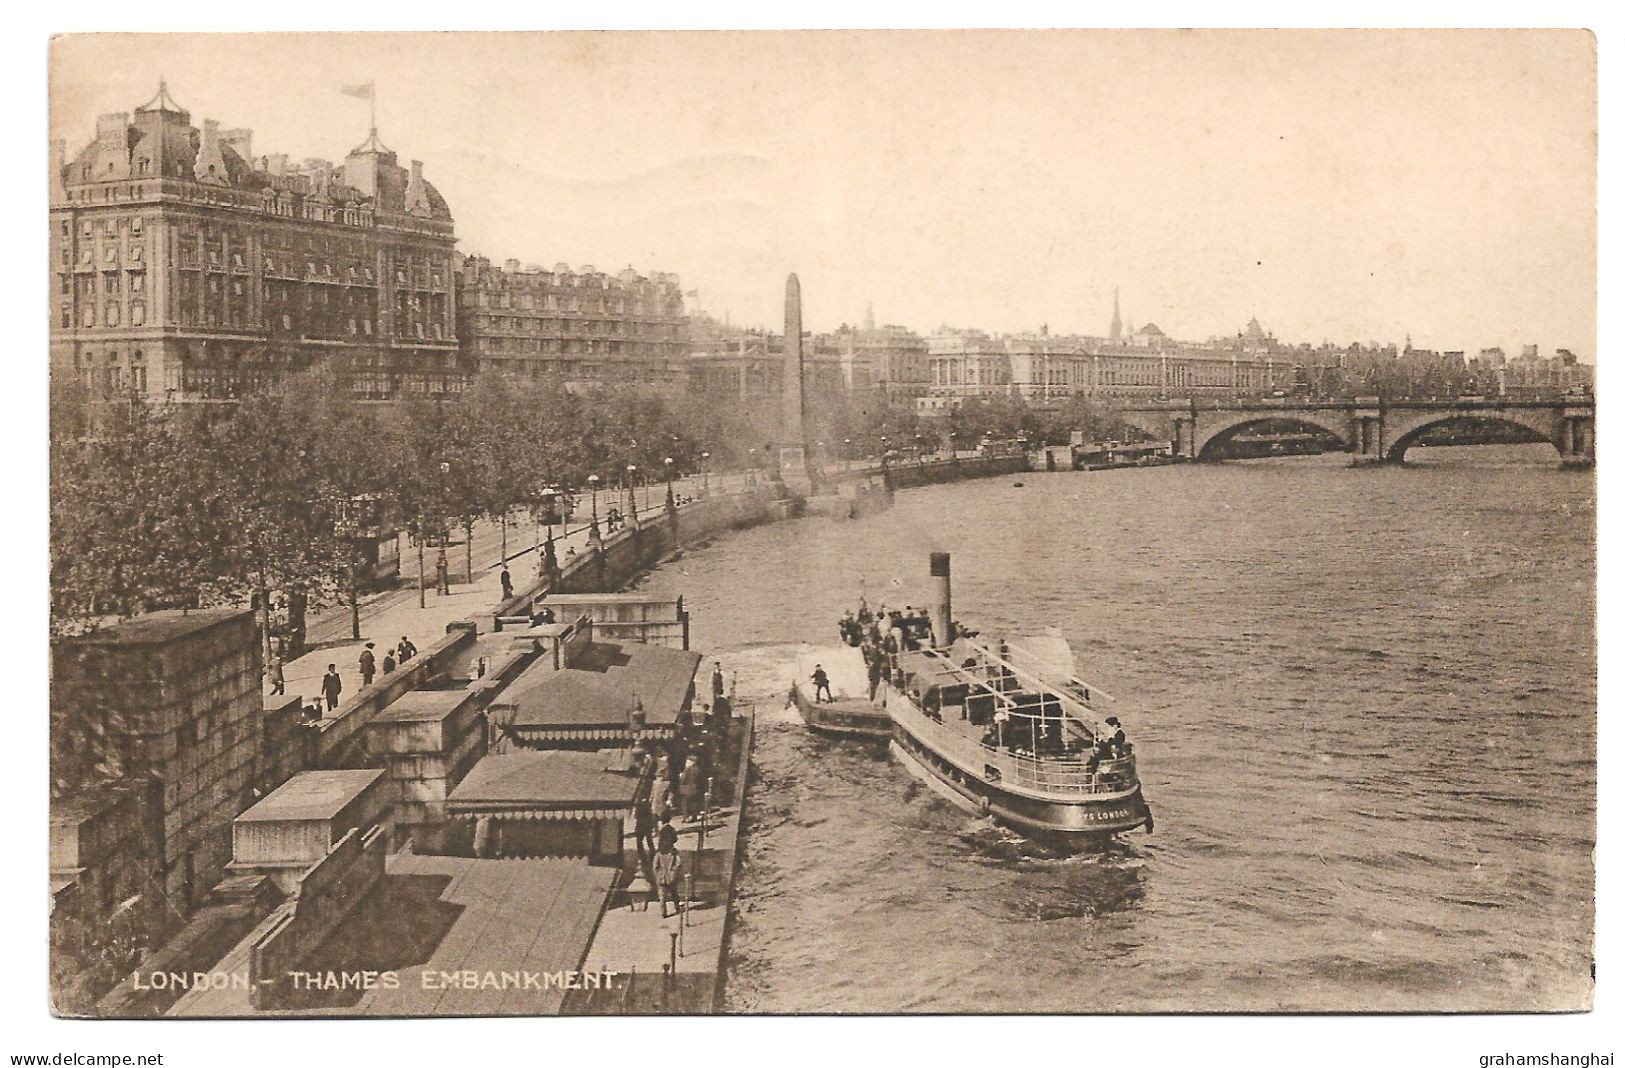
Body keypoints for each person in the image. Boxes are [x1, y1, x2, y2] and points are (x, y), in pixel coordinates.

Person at [653, 838, 682, 918]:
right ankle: (677, 909)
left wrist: (658, 875)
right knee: (673, 894)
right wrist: (674, 871)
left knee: (663, 896)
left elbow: (655, 866)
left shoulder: (659, 854)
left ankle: (664, 913)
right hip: (670, 877)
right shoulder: (673, 853)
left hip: (662, 877)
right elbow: (678, 864)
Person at [633, 793, 656, 868]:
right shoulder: (648, 806)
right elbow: (651, 816)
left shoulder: (638, 806)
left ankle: (642, 854)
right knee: (649, 840)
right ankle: (652, 852)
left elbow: (636, 816)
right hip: (647, 825)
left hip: (641, 825)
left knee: (639, 841)